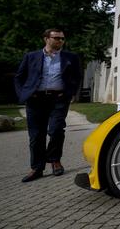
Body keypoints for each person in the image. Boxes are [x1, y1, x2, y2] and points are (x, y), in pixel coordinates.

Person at [14, 28, 81, 182]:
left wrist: (70, 93)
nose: (60, 41)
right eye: (56, 38)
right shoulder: (31, 56)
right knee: (36, 135)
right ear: (46, 39)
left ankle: (54, 160)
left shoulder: (71, 57)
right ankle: (37, 168)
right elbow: (19, 77)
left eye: (62, 38)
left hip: (58, 99)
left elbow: (77, 77)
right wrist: (23, 95)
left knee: (56, 130)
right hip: (35, 100)